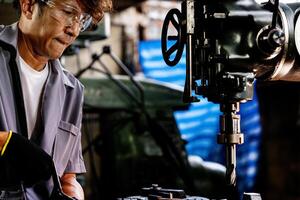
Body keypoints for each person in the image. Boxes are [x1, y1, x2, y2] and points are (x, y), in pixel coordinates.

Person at [0, 0, 111, 199]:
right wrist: (4, 143)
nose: (74, 30)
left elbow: (68, 178)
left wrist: (72, 195)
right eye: (68, 13)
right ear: (28, 5)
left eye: (82, 20)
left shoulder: (72, 92)